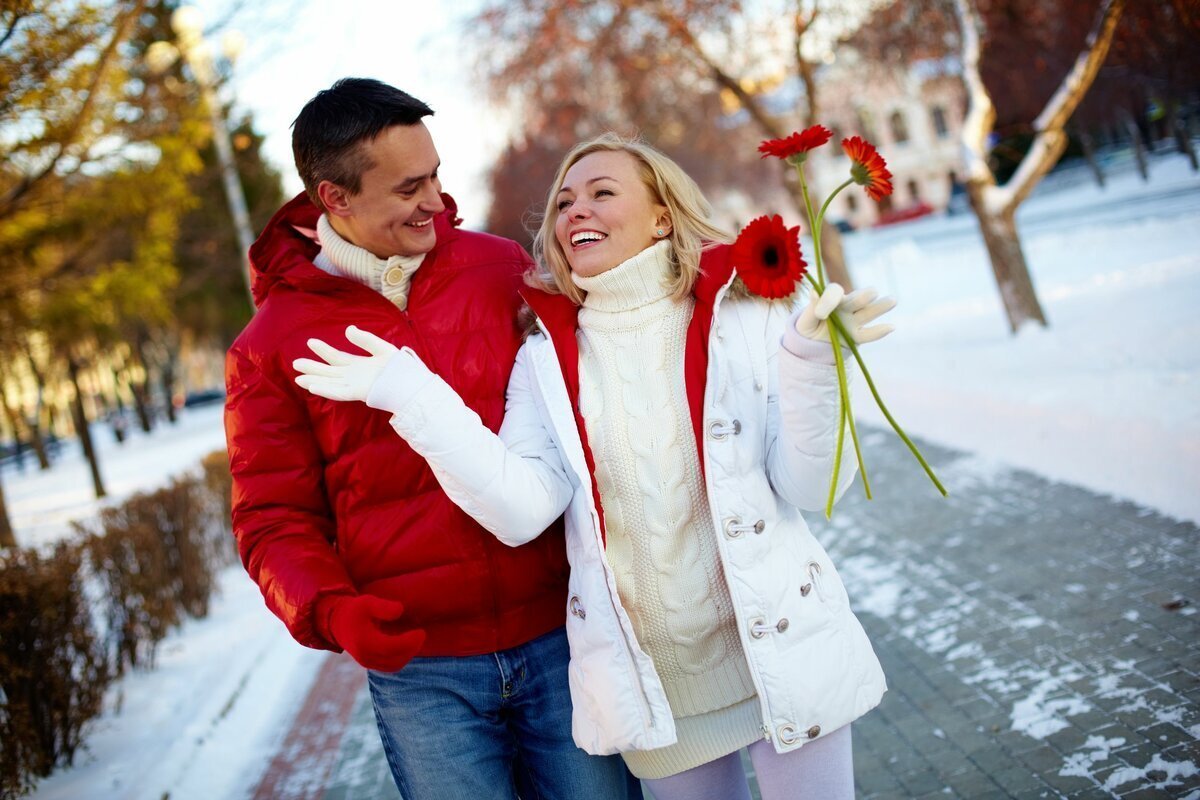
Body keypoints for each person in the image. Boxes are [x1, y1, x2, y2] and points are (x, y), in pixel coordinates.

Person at [296, 133, 894, 799]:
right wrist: (411, 393)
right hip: (660, 692)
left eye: (602, 193)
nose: (575, 210)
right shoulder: (545, 359)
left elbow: (813, 485)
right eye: (564, 202)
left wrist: (812, 365)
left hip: (781, 650)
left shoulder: (743, 312)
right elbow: (522, 510)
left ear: (662, 214)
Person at [224, 80, 637, 800]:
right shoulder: (269, 346)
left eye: (437, 175)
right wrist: (329, 609)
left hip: (562, 637)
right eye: (409, 187)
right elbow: (270, 518)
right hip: (424, 674)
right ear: (336, 198)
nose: (435, 201)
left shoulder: (500, 269)